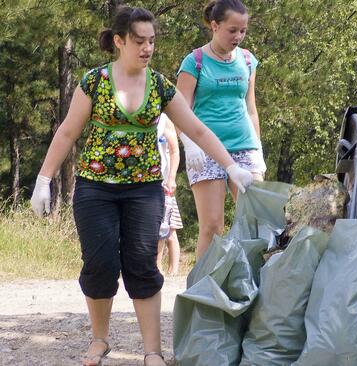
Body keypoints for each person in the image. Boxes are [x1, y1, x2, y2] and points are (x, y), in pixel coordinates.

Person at [28, 6, 253, 366]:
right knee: (99, 264)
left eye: (151, 41)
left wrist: (230, 165)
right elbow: (68, 131)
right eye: (139, 41)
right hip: (95, 188)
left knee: (142, 266)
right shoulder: (95, 81)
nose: (147, 48)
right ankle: (99, 340)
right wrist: (43, 179)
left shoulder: (161, 86)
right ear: (119, 41)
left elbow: (195, 128)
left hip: (144, 189)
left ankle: (152, 351)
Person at [176, 0, 265, 259]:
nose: (238, 36)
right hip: (205, 150)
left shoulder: (248, 60)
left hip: (244, 146)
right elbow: (180, 110)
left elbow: (251, 108)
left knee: (256, 221)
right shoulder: (195, 62)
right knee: (213, 225)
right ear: (214, 26)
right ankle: (201, 291)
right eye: (232, 30)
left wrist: (257, 149)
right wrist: (189, 144)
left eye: (243, 31)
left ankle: (251, 285)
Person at [156, 114, 182, 276]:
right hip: (146, 184)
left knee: (168, 230)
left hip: (164, 184)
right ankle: (157, 268)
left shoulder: (164, 119)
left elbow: (174, 151)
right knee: (162, 230)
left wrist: (171, 178)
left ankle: (172, 270)